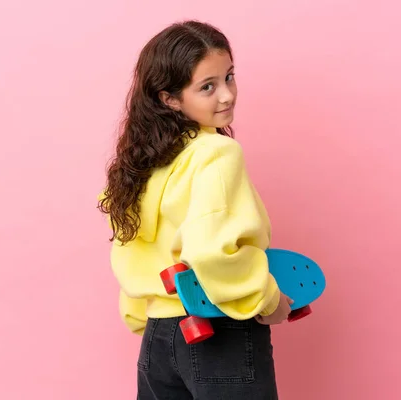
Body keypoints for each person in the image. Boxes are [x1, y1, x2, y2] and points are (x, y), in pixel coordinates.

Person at [98, 20, 292, 400]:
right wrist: (266, 300)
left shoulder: (140, 165)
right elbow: (210, 251)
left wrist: (148, 316)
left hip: (159, 338)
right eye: (208, 87)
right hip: (219, 329)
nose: (227, 95)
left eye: (229, 77)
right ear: (169, 98)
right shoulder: (216, 153)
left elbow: (129, 251)